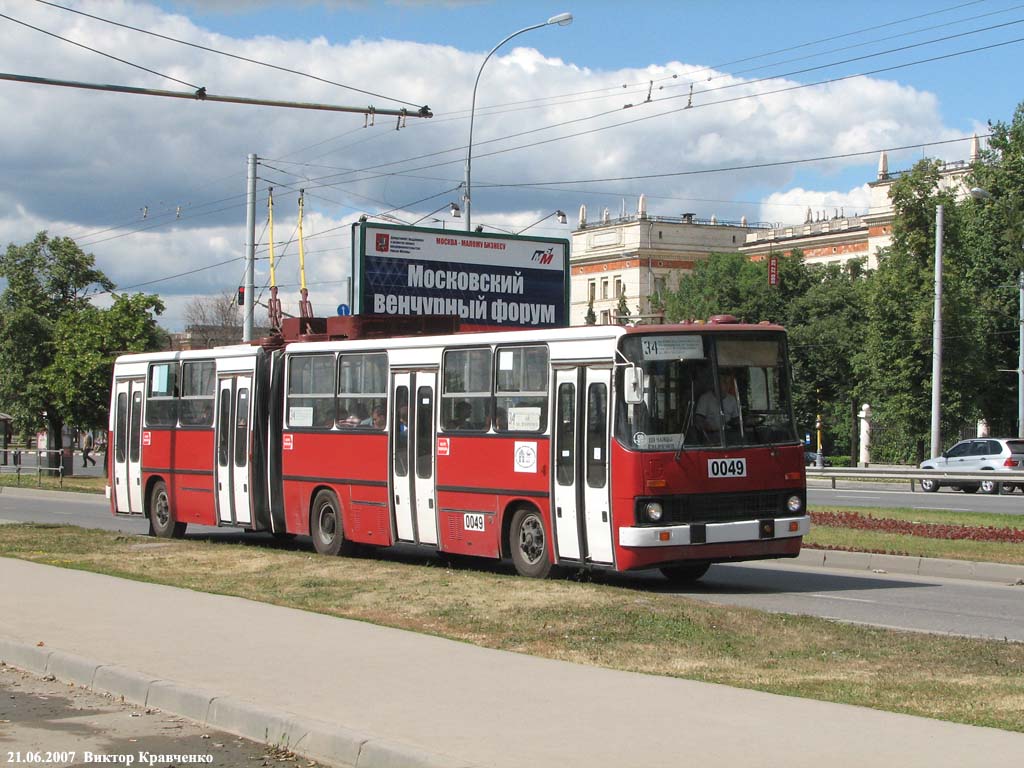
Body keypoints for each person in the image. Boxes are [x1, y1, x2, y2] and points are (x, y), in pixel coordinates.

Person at [695, 373, 740, 437]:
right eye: (724, 382)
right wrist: (707, 426)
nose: (727, 385)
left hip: (728, 435)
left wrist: (735, 422)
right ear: (716, 383)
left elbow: (736, 419)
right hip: (709, 436)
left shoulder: (732, 399)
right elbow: (699, 420)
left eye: (729, 383)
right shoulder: (705, 398)